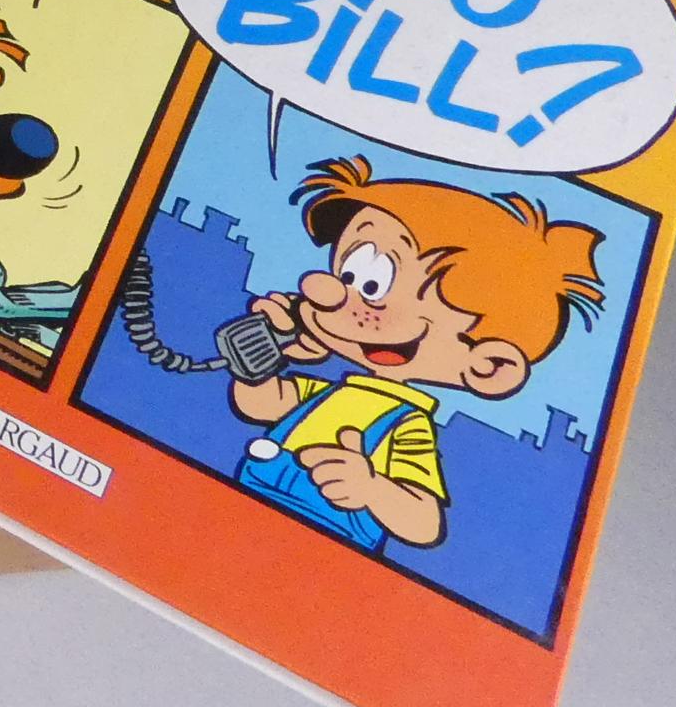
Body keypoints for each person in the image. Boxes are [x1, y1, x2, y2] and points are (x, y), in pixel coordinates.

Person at [228, 155, 604, 551]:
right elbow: (260, 403)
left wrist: (370, 487)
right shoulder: (331, 394)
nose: (326, 291)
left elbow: (424, 524)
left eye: (373, 286)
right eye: (348, 274)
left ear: (488, 366)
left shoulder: (407, 425)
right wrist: (260, 349)